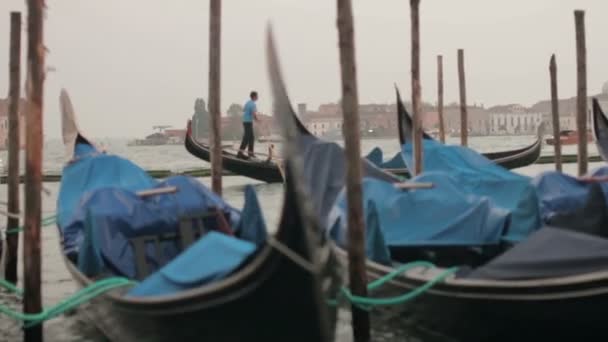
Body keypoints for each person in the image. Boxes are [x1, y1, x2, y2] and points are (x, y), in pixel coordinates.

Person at [237, 91, 259, 159]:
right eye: (257, 96)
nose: (257, 97)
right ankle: (240, 154)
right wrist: (257, 120)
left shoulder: (248, 102)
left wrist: (250, 115)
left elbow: (244, 110)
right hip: (248, 122)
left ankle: (250, 153)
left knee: (251, 138)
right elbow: (253, 113)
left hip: (246, 122)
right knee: (246, 138)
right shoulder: (253, 104)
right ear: (254, 96)